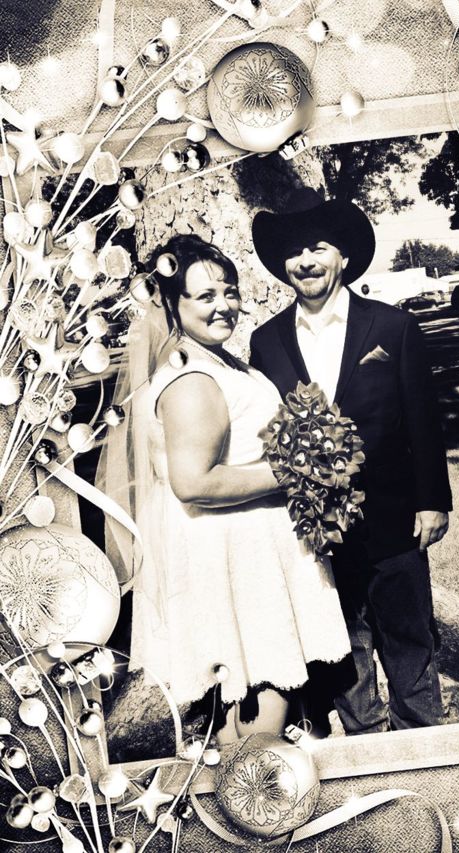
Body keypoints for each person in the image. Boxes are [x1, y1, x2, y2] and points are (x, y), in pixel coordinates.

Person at [98, 233, 351, 743]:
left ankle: (250, 783)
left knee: (258, 694)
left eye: (229, 292)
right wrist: (302, 472)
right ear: (173, 304)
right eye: (205, 296)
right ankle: (251, 789)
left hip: (249, 551)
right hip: (235, 562)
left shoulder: (221, 362)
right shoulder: (191, 379)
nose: (224, 306)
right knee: (261, 694)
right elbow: (194, 482)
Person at [250, 188, 453, 734]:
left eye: (317, 247)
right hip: (315, 530)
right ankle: (365, 748)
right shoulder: (266, 342)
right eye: (294, 251)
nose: (305, 260)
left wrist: (433, 500)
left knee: (410, 642)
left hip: (394, 517)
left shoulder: (391, 327)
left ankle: (426, 748)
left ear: (342, 256)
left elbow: (423, 420)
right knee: (344, 651)